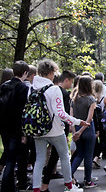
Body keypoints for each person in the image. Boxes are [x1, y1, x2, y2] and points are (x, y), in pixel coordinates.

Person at [32, 59, 86, 192]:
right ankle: (69, 186)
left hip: (37, 129)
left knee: (39, 160)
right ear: (51, 72)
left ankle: (36, 189)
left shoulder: (32, 88)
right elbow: (61, 113)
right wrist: (77, 121)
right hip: (55, 129)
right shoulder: (54, 89)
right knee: (64, 157)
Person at [40, 70, 77, 191]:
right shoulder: (63, 94)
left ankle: (44, 184)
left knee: (49, 158)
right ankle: (68, 184)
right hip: (58, 130)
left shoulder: (48, 90)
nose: (71, 85)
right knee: (60, 157)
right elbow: (63, 115)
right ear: (66, 80)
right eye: (71, 82)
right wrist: (66, 133)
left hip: (45, 128)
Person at [0, 61, 30, 192]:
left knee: (9, 154)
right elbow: (22, 111)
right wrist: (23, 132)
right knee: (11, 158)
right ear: (25, 73)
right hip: (15, 127)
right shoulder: (23, 88)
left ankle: (9, 185)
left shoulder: (5, 85)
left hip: (3, 126)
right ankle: (6, 186)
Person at [70, 76, 97, 189]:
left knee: (79, 154)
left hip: (76, 128)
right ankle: (88, 180)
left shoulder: (74, 98)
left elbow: (70, 117)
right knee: (88, 156)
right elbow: (89, 118)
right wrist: (81, 131)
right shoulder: (91, 99)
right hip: (88, 130)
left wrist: (74, 132)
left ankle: (69, 176)